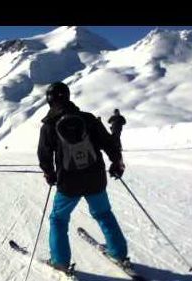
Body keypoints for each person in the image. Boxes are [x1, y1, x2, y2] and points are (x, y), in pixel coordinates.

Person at [37, 82, 128, 273]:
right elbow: (109, 144)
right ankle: (118, 253)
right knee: (104, 214)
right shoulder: (87, 119)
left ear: (49, 100)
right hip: (95, 178)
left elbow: (44, 155)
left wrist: (50, 174)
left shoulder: (49, 126)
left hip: (68, 183)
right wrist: (116, 163)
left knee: (59, 219)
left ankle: (60, 261)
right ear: (68, 97)